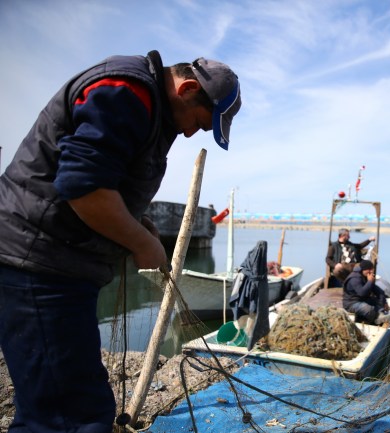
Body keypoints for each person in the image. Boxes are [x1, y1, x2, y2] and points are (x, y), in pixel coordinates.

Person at [0, 50, 241, 433]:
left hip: (56, 266)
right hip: (38, 263)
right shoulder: (127, 91)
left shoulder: (146, 105)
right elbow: (84, 186)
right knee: (69, 418)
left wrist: (134, 221)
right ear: (188, 88)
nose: (194, 133)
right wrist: (143, 243)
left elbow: (102, 180)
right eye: (200, 121)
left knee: (68, 406)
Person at [342, 260, 390, 325]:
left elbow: (379, 291)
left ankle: (380, 314)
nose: (371, 272)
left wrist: (384, 302)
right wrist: (370, 282)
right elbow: (362, 293)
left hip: (362, 300)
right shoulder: (354, 278)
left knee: (378, 301)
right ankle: (374, 320)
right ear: (363, 269)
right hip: (351, 303)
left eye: (371, 269)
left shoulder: (365, 276)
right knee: (368, 309)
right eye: (369, 270)